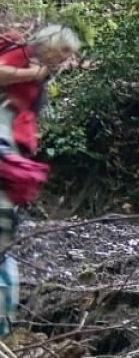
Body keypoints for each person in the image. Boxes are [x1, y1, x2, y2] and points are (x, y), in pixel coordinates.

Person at [0, 24, 81, 335]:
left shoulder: (38, 66)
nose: (65, 60)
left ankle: (5, 328)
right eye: (63, 52)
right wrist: (31, 74)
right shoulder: (23, 54)